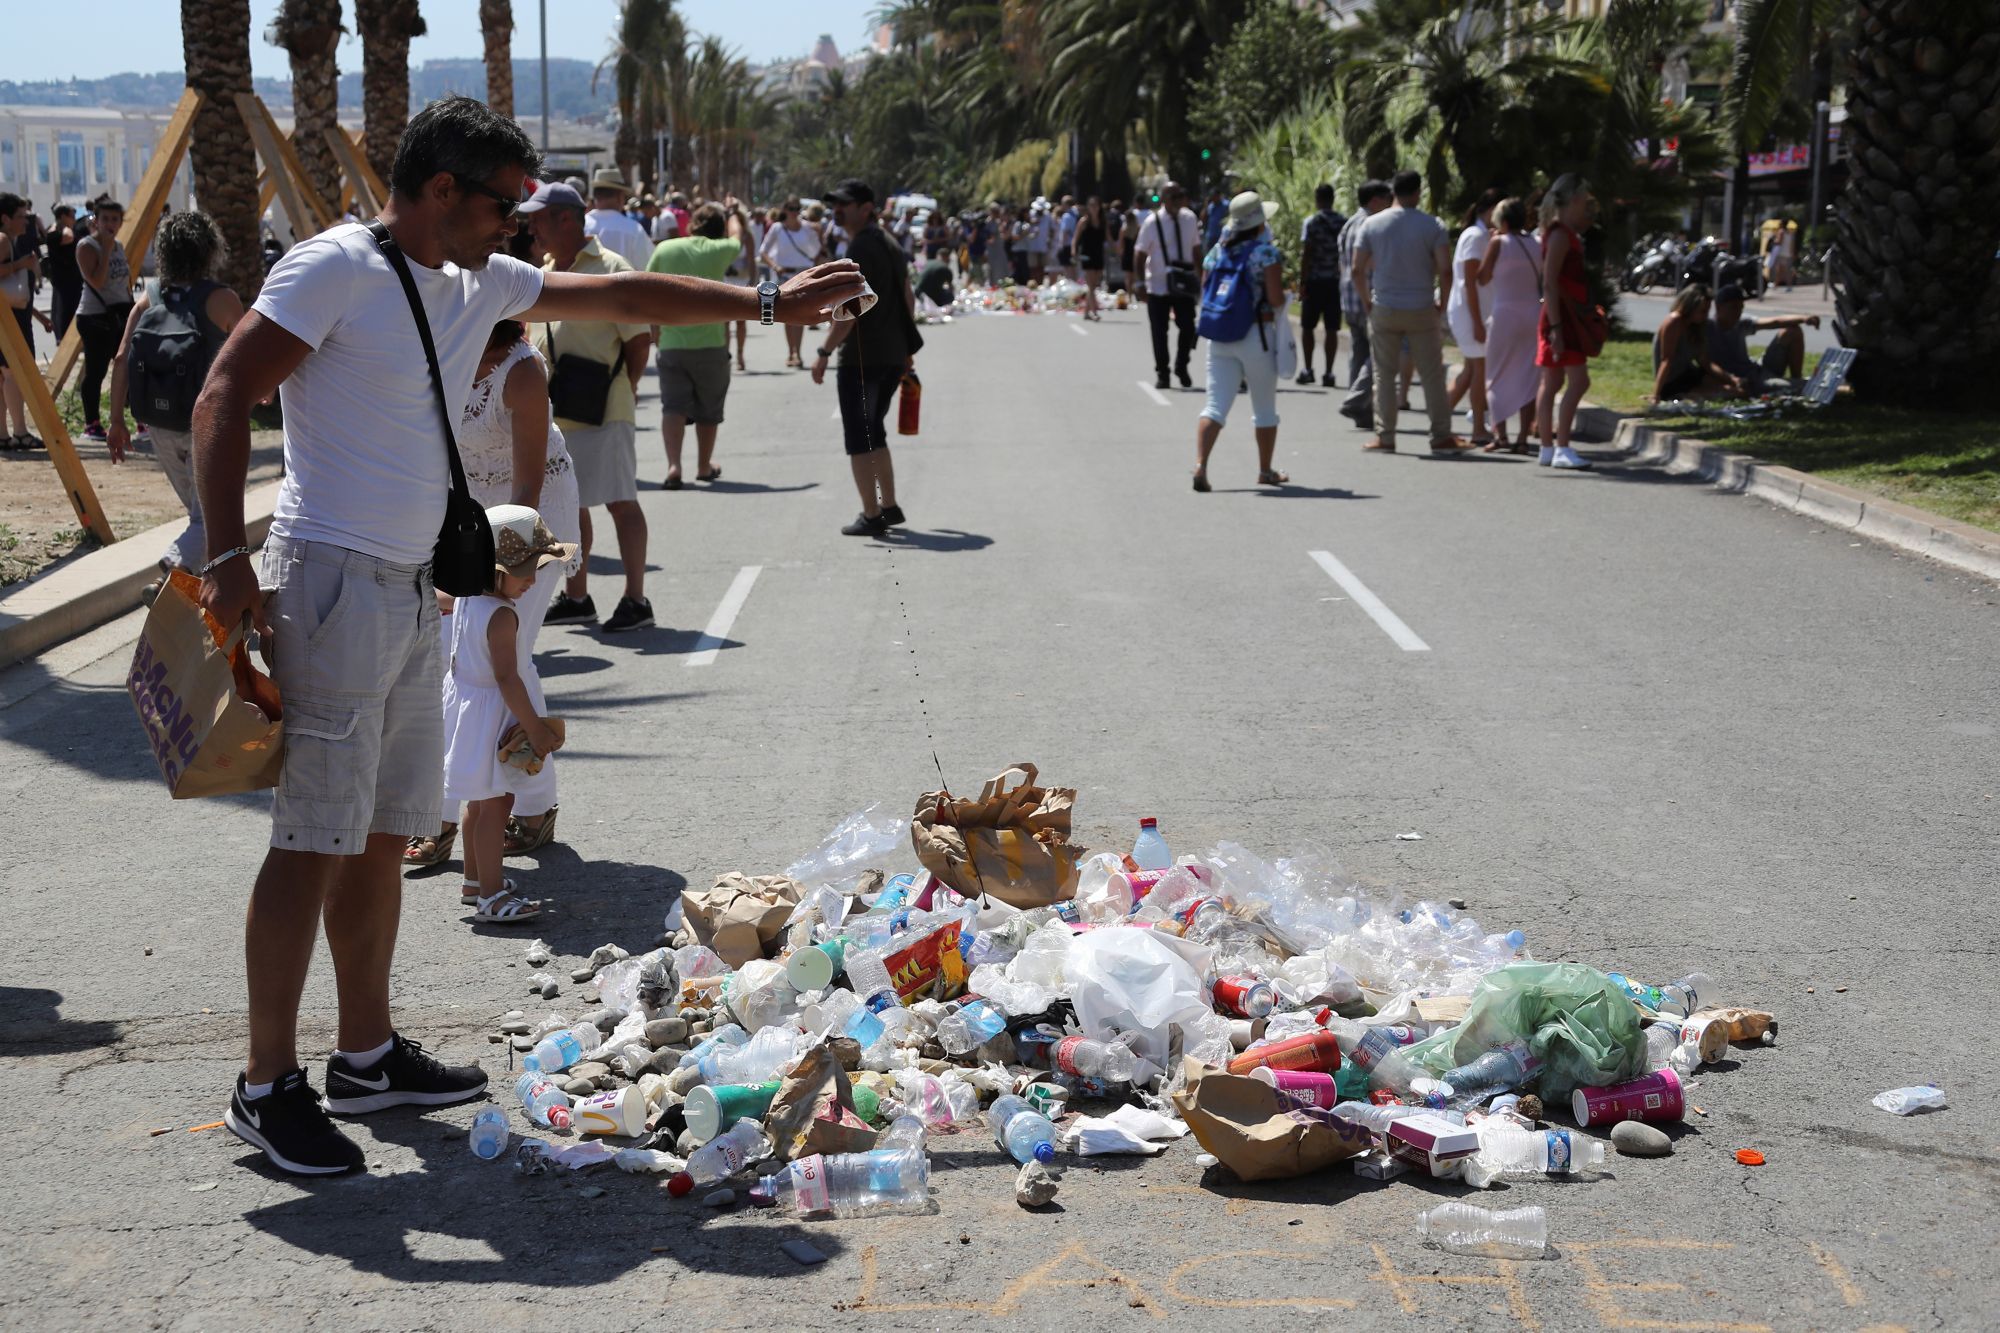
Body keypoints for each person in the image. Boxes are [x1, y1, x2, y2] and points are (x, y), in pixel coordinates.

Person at [190, 95, 859, 1176]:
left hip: (413, 589)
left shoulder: (475, 282)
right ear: (442, 190)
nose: (520, 225)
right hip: (331, 584)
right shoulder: (332, 270)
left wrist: (767, 299)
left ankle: (364, 1054)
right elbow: (227, 393)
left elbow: (623, 287)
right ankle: (266, 1084)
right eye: (504, 203)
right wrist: (227, 561)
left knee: (376, 835)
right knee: (309, 837)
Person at [406, 318, 581, 870]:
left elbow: (526, 490)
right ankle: (467, 807)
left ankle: (519, 806)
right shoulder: (436, 349)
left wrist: (492, 568)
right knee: (454, 658)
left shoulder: (521, 371)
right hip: (467, 520)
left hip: (525, 524)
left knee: (499, 655)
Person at [521, 181, 656, 634]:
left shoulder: (610, 269)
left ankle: (636, 598)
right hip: (554, 414)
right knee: (567, 508)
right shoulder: (543, 271)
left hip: (603, 408)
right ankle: (577, 596)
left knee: (620, 502)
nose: (530, 226)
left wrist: (625, 390)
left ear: (566, 219)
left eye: (538, 218)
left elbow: (639, 342)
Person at [443, 505, 573, 925]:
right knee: (498, 803)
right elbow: (507, 677)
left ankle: (474, 881)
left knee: (478, 801)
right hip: (491, 714)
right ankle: (492, 896)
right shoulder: (502, 615)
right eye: (525, 571)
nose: (533, 580)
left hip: (466, 708)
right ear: (496, 569)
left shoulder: (466, 598)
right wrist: (534, 728)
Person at [104, 211, 246, 568]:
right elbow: (248, 359)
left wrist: (116, 421)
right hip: (205, 423)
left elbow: (121, 358)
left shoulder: (149, 299)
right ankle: (173, 569)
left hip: (158, 423)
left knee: (200, 516)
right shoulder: (223, 300)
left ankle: (188, 595)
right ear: (209, 250)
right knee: (208, 519)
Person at [810, 178, 921, 537]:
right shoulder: (888, 241)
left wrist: (824, 351)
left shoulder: (862, 247)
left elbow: (851, 308)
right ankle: (887, 506)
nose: (837, 210)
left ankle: (873, 514)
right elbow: (908, 296)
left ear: (866, 208)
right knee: (875, 432)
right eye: (835, 204)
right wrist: (905, 348)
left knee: (860, 437)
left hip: (864, 358)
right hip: (889, 355)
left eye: (845, 204)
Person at [1352, 170, 1465, 455]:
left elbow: (1356, 268)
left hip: (1385, 307)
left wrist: (1367, 301)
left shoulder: (1372, 224)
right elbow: (1445, 269)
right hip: (1421, 307)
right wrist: (1443, 303)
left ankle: (1385, 436)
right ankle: (1440, 435)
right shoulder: (1433, 226)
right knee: (1431, 375)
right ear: (1417, 192)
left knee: (1384, 375)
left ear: (1393, 192)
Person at [1191, 192, 1289, 494]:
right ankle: (1265, 470)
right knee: (1264, 408)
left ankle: (1201, 465)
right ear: (1260, 222)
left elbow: (1207, 289)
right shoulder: (1266, 254)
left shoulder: (1217, 252)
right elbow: (1274, 299)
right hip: (1255, 335)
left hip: (1220, 336)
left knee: (1215, 405)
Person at [650, 201, 745, 489]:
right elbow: (738, 236)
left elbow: (648, 291)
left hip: (672, 342)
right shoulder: (718, 250)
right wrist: (733, 213)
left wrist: (656, 334)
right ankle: (704, 466)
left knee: (672, 407)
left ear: (693, 223)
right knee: (708, 410)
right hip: (711, 344)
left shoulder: (665, 249)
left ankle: (673, 466)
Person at [1534, 173, 1599, 469]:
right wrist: (1558, 329)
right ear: (1574, 200)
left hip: (1559, 315)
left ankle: (1549, 447)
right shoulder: (1561, 234)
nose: (1586, 207)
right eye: (1584, 201)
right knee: (1577, 380)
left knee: (1554, 381)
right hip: (1562, 318)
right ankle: (1560, 445)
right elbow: (1549, 282)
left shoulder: (1560, 232)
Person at [1476, 196, 1542, 453]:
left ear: (1502, 221)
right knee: (1529, 376)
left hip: (1505, 313)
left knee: (1496, 373)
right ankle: (1523, 438)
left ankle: (1500, 435)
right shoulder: (1536, 243)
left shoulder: (1497, 243)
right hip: (1532, 312)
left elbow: (1482, 278)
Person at [1444, 190, 1501, 445]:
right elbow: (1470, 282)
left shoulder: (1480, 236)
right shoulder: (1475, 236)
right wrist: (1478, 322)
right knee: (1479, 369)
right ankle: (1478, 427)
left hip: (1473, 311)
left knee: (1470, 371)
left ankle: (1440, 420)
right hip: (1470, 312)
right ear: (1488, 210)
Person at [74, 198, 133, 441]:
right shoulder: (87, 246)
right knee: (96, 371)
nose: (110, 224)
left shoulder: (118, 244)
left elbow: (123, 281)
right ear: (96, 221)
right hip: (95, 316)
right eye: (105, 219)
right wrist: (106, 249)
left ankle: (135, 418)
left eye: (114, 219)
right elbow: (96, 281)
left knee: (127, 366)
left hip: (119, 313)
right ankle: (92, 423)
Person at [1133, 182, 1202, 390]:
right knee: (1159, 332)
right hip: (1159, 284)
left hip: (1184, 285)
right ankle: (1163, 373)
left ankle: (1182, 365)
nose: (1178, 201)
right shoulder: (1152, 223)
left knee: (1188, 327)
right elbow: (1140, 253)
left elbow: (1197, 250)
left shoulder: (1189, 219)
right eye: (1173, 197)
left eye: (1180, 196)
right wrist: (1139, 283)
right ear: (1163, 199)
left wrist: (1201, 278)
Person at [1336, 180, 1393, 430]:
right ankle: (1358, 398)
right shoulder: (1372, 225)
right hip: (1367, 296)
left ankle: (1361, 409)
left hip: (1349, 297)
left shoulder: (1349, 223)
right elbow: (1370, 264)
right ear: (1374, 201)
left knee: (1359, 353)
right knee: (1382, 351)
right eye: (1386, 199)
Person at [1709, 281, 1819, 391]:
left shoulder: (1741, 322)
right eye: (1733, 308)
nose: (1738, 313)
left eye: (1741, 308)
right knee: (1786, 387)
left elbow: (1775, 321)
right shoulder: (1708, 329)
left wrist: (1804, 318)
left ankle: (1797, 378)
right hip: (1748, 380)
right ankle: (1808, 387)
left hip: (1757, 369)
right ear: (1719, 307)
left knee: (1792, 330)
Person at [1649, 284, 1742, 400]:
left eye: (1707, 311)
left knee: (1737, 390)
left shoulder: (1696, 327)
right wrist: (1656, 394)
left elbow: (1705, 362)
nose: (1706, 315)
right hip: (1672, 381)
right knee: (1725, 393)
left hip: (1689, 374)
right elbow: (1666, 360)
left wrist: (1730, 379)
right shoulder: (1674, 322)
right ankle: (1679, 395)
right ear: (1690, 307)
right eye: (1702, 311)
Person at [759, 199, 823, 368]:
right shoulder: (777, 228)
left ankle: (798, 353)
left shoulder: (808, 228)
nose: (794, 212)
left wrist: (813, 264)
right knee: (788, 315)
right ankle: (791, 352)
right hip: (784, 274)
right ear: (784, 210)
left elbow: (818, 249)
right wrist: (774, 266)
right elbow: (763, 251)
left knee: (801, 313)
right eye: (791, 208)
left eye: (797, 209)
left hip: (803, 273)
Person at [1295, 182, 1346, 387]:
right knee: (1332, 328)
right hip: (1334, 281)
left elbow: (1306, 253)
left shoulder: (1312, 222)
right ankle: (1329, 372)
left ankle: (1308, 369)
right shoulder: (1343, 222)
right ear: (1332, 199)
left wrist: (1302, 282)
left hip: (1314, 281)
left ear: (1317, 200)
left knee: (1308, 327)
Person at [581, 167, 652, 271]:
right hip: (624, 286)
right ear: (620, 197)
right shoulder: (634, 229)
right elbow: (646, 267)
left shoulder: (581, 225)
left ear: (596, 197)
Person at [43, 203, 82, 342]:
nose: (74, 219)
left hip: (69, 278)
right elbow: (69, 237)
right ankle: (66, 339)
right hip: (65, 279)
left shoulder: (58, 230)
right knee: (66, 311)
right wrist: (67, 226)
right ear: (63, 217)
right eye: (71, 216)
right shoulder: (56, 233)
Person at [1075, 197, 1106, 321]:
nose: (1094, 208)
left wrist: (1118, 249)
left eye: (1096, 205)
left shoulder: (1102, 221)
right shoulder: (1084, 221)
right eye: (1091, 205)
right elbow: (1076, 238)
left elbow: (1108, 237)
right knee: (1091, 284)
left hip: (1098, 254)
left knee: (1094, 285)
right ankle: (1094, 312)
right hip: (1087, 255)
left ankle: (1086, 312)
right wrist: (1073, 250)